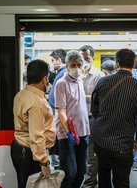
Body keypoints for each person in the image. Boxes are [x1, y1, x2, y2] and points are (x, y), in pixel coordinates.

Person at [91, 48, 137, 188]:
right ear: (134, 64)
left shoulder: (102, 82)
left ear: (117, 64)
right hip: (123, 144)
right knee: (122, 182)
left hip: (101, 141)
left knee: (103, 177)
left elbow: (94, 111)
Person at [11, 59, 56, 188]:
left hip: (19, 147)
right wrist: (44, 162)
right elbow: (37, 135)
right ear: (44, 79)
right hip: (30, 152)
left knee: (23, 183)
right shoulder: (36, 102)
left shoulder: (21, 94)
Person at [55, 50, 90, 188]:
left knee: (81, 171)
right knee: (70, 172)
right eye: (73, 64)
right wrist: (68, 132)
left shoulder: (80, 81)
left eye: (78, 64)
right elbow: (61, 111)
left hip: (83, 133)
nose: (76, 67)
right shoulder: (61, 83)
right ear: (67, 65)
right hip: (67, 135)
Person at [79, 45, 105, 188]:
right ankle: (86, 181)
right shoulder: (75, 74)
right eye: (81, 58)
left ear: (93, 58)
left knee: (91, 156)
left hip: (92, 120)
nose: (84, 61)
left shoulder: (99, 76)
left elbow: (101, 99)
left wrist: (81, 96)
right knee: (80, 155)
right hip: (77, 121)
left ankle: (89, 184)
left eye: (87, 58)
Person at [47, 49, 67, 169]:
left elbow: (56, 98)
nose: (52, 63)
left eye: (53, 60)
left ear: (59, 60)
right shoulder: (60, 72)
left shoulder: (62, 73)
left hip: (57, 115)